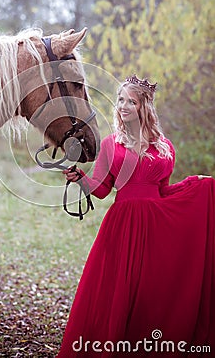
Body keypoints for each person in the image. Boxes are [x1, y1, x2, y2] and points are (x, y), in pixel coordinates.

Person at [57, 75, 214, 357]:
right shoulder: (110, 144)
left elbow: (163, 191)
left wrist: (195, 186)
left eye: (131, 101)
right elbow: (104, 189)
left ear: (144, 107)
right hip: (123, 224)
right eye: (120, 100)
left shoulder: (164, 146)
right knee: (118, 289)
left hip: (155, 228)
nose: (123, 105)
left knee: (149, 291)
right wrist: (80, 179)